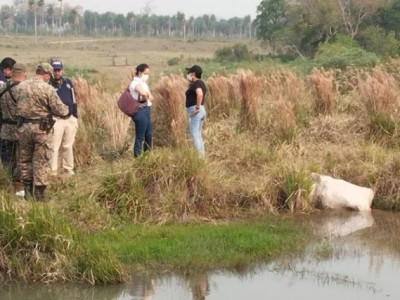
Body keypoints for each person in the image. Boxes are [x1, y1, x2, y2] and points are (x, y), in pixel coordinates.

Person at [15, 62, 69, 200]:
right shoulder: (48, 89)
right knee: (41, 160)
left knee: (25, 160)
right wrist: (67, 111)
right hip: (41, 130)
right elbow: (60, 110)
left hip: (23, 128)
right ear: (46, 75)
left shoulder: (21, 86)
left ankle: (27, 192)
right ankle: (39, 194)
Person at [0, 63, 27, 197]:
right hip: (19, 130)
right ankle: (18, 188)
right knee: (20, 160)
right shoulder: (23, 89)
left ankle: (7, 184)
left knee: (8, 159)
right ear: (24, 73)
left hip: (5, 129)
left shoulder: (3, 87)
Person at [49, 59, 78, 176]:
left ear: (62, 70)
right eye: (54, 70)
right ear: (51, 71)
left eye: (58, 70)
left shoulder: (68, 82)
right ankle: (52, 171)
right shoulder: (48, 85)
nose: (57, 73)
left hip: (70, 119)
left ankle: (68, 169)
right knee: (54, 147)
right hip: (56, 119)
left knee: (68, 145)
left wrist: (75, 116)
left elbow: (74, 99)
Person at [129, 63, 153, 157]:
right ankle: (138, 158)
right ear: (139, 73)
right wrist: (146, 96)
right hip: (140, 111)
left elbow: (150, 97)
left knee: (148, 135)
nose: (146, 76)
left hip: (146, 109)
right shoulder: (135, 83)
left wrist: (147, 96)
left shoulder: (143, 83)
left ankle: (147, 156)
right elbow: (144, 94)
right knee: (140, 136)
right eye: (145, 73)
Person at [185, 65, 207, 158]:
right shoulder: (201, 83)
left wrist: (197, 108)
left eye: (189, 72)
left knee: (194, 135)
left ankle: (199, 158)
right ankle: (202, 156)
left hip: (196, 110)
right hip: (202, 110)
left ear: (193, 74)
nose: (188, 74)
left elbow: (200, 94)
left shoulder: (196, 83)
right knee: (198, 135)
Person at [0, 57, 16, 165]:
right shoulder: (1, 80)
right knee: (4, 146)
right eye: (12, 71)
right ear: (6, 69)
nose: (13, 74)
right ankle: (7, 172)